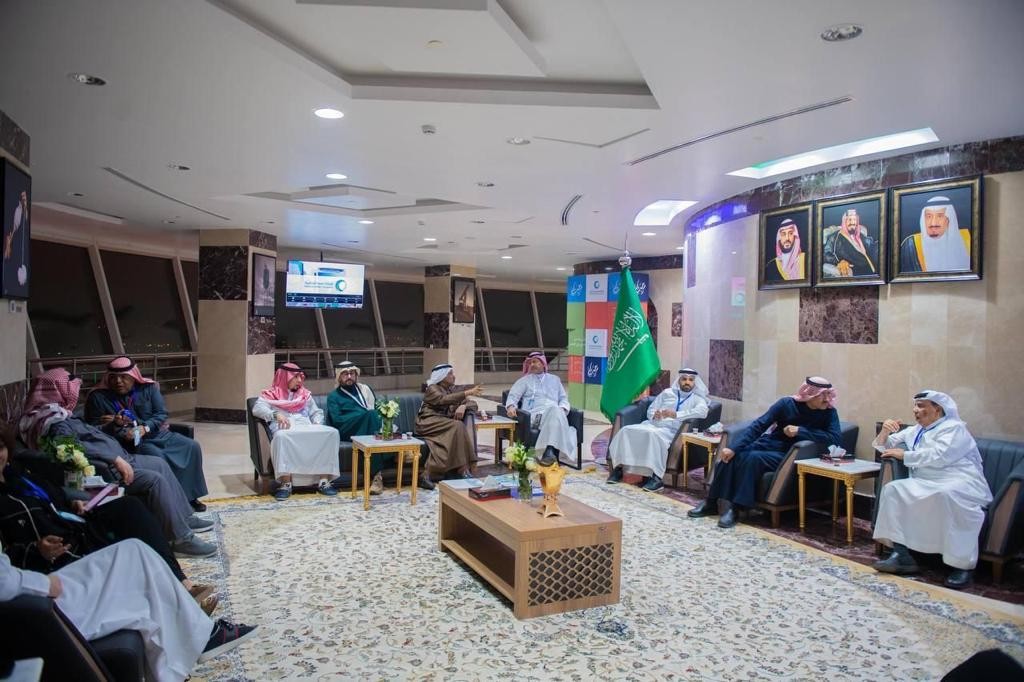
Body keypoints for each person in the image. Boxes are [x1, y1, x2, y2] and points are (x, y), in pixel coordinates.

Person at [0, 428, 219, 615]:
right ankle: (181, 605)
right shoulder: (59, 425)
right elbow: (6, 560)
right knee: (137, 546)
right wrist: (36, 549)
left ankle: (183, 583)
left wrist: (73, 500)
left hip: (75, 520)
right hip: (61, 547)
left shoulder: (17, 474)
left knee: (129, 507)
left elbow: (52, 493)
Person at [19, 369, 216, 558]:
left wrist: (114, 424)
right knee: (155, 480)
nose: (75, 394)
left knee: (159, 463)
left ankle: (183, 519)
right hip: (107, 470)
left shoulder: (59, 414)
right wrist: (113, 458)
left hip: (120, 458)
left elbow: (91, 434)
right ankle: (180, 540)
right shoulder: (55, 423)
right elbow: (70, 450)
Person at [1, 538, 257, 682]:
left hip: (25, 594)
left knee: (133, 551)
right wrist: (42, 584)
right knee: (132, 559)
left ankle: (199, 633)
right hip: (28, 606)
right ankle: (202, 635)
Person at [872, 391, 992, 589]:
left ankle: (962, 566)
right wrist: (885, 431)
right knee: (893, 489)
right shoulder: (916, 430)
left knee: (946, 495)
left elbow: (940, 456)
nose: (915, 410)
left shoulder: (954, 428)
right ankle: (901, 555)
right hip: (925, 482)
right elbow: (883, 445)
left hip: (959, 480)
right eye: (915, 405)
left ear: (938, 409)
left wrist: (905, 455)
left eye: (921, 406)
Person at [688, 377, 842, 528]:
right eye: (823, 395)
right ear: (810, 394)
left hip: (789, 454)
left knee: (753, 458)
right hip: (769, 444)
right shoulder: (786, 404)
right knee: (731, 456)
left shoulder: (829, 413)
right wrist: (734, 447)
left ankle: (736, 508)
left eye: (829, 394)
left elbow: (835, 438)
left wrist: (801, 431)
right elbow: (760, 425)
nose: (827, 399)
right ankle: (711, 502)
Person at [85, 356, 209, 511]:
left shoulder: (149, 389)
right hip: (131, 443)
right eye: (113, 377)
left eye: (123, 377)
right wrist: (114, 424)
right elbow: (93, 428)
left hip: (157, 434)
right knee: (157, 457)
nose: (118, 381)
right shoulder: (98, 397)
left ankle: (190, 497)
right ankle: (172, 501)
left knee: (192, 446)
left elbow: (161, 414)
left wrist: (145, 428)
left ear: (133, 376)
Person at [606, 368, 710, 492]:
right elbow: (651, 409)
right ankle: (619, 468)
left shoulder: (697, 399)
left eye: (690, 380)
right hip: (653, 424)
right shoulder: (667, 393)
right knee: (626, 431)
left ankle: (656, 478)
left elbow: (702, 412)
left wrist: (675, 415)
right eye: (684, 379)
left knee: (653, 436)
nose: (687, 382)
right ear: (679, 380)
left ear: (695, 382)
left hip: (672, 431)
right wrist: (655, 415)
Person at [252, 363, 340, 501]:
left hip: (305, 427)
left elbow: (316, 412)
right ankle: (285, 483)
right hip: (285, 428)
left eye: (301, 377)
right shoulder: (270, 394)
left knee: (332, 433)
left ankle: (324, 481)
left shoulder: (304, 395)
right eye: (296, 377)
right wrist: (275, 414)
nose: (300, 380)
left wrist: (317, 424)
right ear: (285, 378)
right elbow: (257, 409)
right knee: (281, 437)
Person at [325, 360, 392, 495]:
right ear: (339, 376)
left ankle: (377, 476)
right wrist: (361, 416)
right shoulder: (333, 396)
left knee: (377, 418)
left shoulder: (364, 389)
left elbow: (376, 408)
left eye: (352, 373)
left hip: (368, 426)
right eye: (345, 374)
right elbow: (337, 420)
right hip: (346, 429)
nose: (349, 377)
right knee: (370, 416)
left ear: (356, 375)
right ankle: (392, 454)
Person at [415, 363, 482, 489]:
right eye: (450, 374)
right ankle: (463, 469)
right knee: (457, 425)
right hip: (427, 422)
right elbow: (443, 400)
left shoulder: (451, 390)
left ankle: (426, 475)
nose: (453, 376)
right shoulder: (432, 388)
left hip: (443, 424)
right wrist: (467, 392)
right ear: (442, 376)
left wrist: (464, 405)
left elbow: (473, 404)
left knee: (445, 440)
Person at [504, 351, 577, 467]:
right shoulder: (525, 380)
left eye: (535, 362)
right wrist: (511, 406)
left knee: (555, 410)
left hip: (554, 413)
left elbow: (563, 399)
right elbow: (513, 396)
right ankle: (549, 452)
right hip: (534, 416)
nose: (532, 364)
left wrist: (562, 409)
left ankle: (549, 451)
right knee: (555, 413)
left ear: (543, 364)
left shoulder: (555, 379)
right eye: (531, 363)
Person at [899, 196, 971, 272]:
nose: (933, 223)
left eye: (940, 216)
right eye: (929, 216)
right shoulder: (910, 245)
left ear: (949, 219)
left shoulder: (967, 240)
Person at [822, 208, 878, 277]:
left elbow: (871, 245)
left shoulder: (860, 235)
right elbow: (826, 255)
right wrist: (839, 262)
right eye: (850, 220)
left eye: (854, 220)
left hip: (873, 272)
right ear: (844, 221)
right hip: (856, 273)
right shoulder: (835, 237)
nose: (852, 222)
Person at [763, 219, 805, 283]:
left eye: (790, 233)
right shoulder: (771, 266)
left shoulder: (806, 259)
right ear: (779, 238)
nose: (787, 238)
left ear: (795, 236)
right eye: (783, 234)